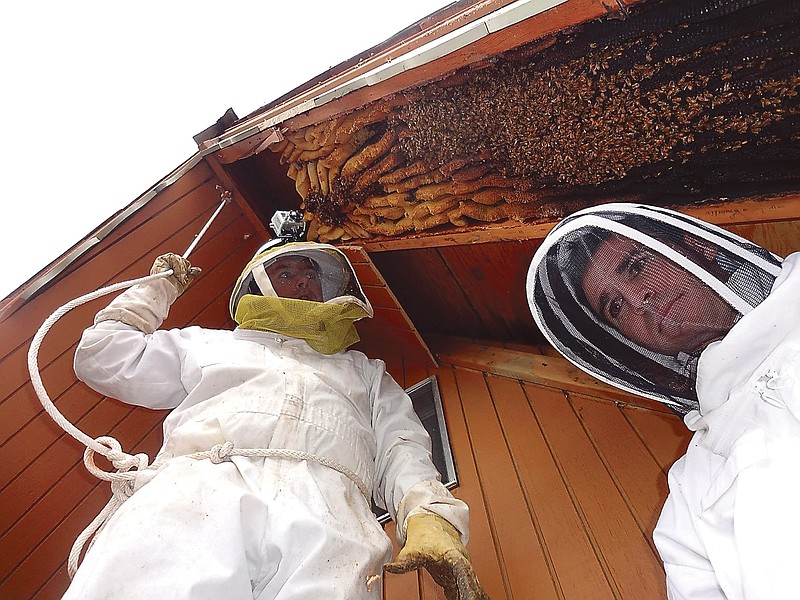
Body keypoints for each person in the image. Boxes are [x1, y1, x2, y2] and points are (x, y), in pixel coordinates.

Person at [66, 240, 489, 600]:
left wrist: (431, 516)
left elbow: (403, 447)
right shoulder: (207, 344)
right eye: (286, 272)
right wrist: (156, 289)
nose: (304, 281)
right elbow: (103, 355)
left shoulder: (364, 371)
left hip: (332, 520)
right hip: (197, 490)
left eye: (311, 274)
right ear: (257, 286)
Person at [527, 202, 798, 599]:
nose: (639, 300)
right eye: (615, 307)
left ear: (696, 247)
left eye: (636, 266)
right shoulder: (691, 491)